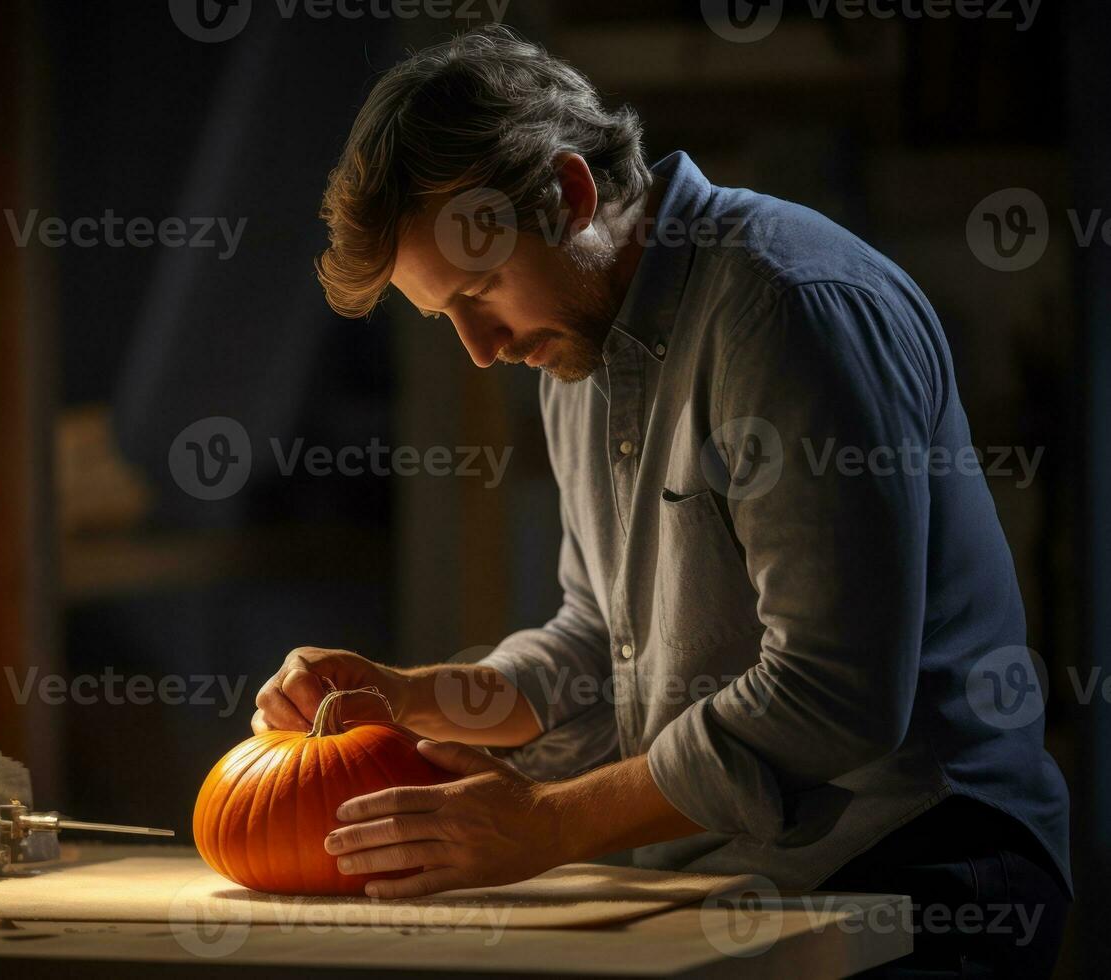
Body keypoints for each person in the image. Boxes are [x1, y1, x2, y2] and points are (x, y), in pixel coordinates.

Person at [252, 26, 1071, 977]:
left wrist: (546, 823)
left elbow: (831, 694)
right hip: (741, 875)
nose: (480, 349)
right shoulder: (578, 353)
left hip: (924, 868)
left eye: (481, 291)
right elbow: (600, 640)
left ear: (570, 195)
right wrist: (415, 698)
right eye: (446, 319)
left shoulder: (787, 305)